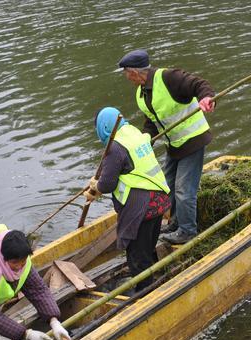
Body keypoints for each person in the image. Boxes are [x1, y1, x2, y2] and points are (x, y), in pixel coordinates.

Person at [118, 49, 215, 244]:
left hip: (193, 140)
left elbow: (199, 84)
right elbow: (151, 122)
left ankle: (188, 231)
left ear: (135, 72)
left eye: (127, 73)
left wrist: (206, 97)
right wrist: (146, 139)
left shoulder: (168, 77)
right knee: (167, 186)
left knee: (183, 189)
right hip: (174, 145)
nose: (127, 78)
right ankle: (175, 223)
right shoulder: (141, 94)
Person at [85, 107, 171, 291]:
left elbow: (107, 184)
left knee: (137, 257)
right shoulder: (132, 132)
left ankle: (145, 293)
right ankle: (150, 281)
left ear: (104, 128)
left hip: (142, 208)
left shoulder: (115, 147)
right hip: (159, 201)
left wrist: (95, 187)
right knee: (147, 248)